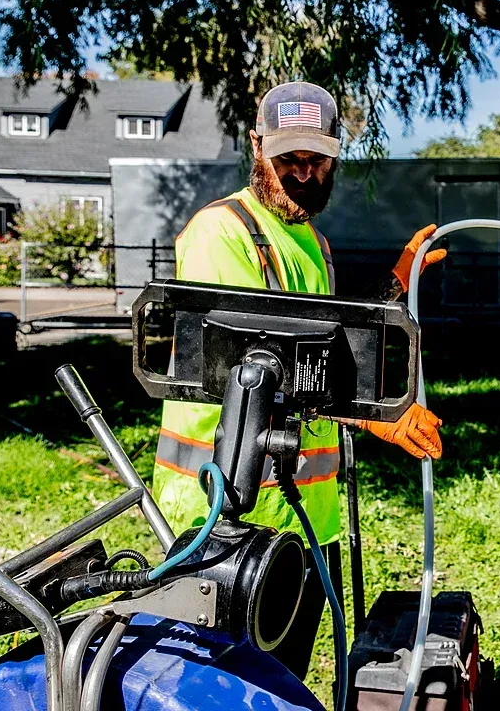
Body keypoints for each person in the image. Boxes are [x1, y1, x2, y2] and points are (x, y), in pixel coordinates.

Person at [151, 80, 447, 679]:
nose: (303, 175)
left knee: (281, 681)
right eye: (287, 159)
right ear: (257, 146)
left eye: (317, 161)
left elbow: (321, 346)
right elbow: (253, 368)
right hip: (224, 514)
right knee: (222, 686)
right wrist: (375, 414)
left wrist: (395, 281)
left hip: (307, 514)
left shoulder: (312, 241)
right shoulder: (222, 233)